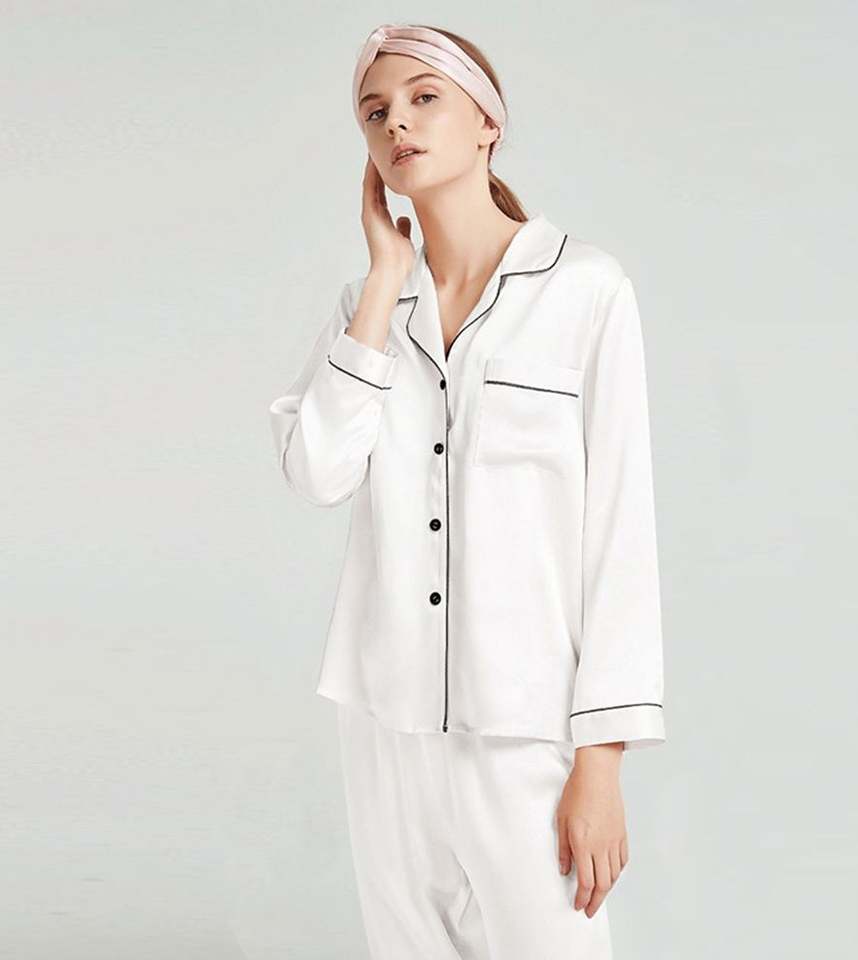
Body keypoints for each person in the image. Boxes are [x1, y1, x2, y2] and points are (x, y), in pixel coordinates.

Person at [268, 21, 666, 959]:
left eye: (423, 98)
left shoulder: (585, 290)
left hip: (525, 726)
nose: (396, 124)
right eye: (374, 113)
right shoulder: (369, 310)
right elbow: (318, 470)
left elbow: (620, 530)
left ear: (489, 121)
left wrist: (600, 759)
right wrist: (384, 278)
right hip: (384, 724)